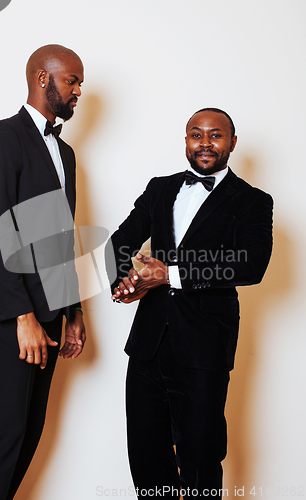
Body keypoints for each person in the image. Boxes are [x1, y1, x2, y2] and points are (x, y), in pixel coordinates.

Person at [108, 108, 273, 499]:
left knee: (200, 456)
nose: (205, 143)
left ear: (232, 142)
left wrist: (170, 274)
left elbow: (250, 264)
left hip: (204, 347)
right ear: (185, 141)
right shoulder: (161, 188)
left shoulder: (252, 200)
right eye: (195, 134)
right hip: (148, 345)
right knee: (147, 455)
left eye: (215, 135)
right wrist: (127, 283)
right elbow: (121, 241)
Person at [0, 44, 86, 500]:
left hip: (50, 312)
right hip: (7, 313)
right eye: (71, 81)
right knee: (6, 431)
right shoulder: (3, 137)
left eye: (79, 83)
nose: (77, 91)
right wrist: (22, 317)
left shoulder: (66, 153)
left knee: (29, 431)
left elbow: (59, 237)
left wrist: (73, 310)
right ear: (42, 78)